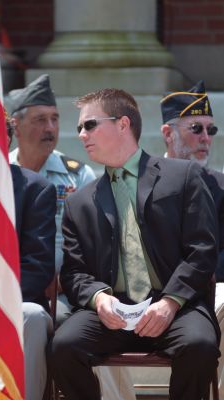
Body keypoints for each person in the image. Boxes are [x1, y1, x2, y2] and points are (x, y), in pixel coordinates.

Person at [49, 88, 220, 400]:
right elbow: (73, 273)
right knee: (64, 347)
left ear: (123, 124)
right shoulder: (80, 202)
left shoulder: (183, 177)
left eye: (89, 125)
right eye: (79, 128)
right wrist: (99, 299)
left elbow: (202, 250)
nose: (81, 134)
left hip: (176, 308)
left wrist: (170, 303)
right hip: (111, 313)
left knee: (200, 346)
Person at [6, 76, 135, 400]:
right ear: (16, 127)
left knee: (85, 324)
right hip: (21, 284)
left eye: (55, 119)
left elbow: (102, 239)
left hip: (69, 289)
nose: (50, 127)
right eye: (39, 120)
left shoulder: (77, 173)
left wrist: (68, 280)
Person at [160, 80, 224, 398]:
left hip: (211, 289)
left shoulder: (221, 187)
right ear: (168, 133)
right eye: (196, 128)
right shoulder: (140, 180)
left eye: (210, 130)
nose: (205, 138)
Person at [7, 114, 57, 400]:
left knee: (34, 316)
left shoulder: (34, 189)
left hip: (11, 303)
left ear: (6, 139)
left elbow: (38, 267)